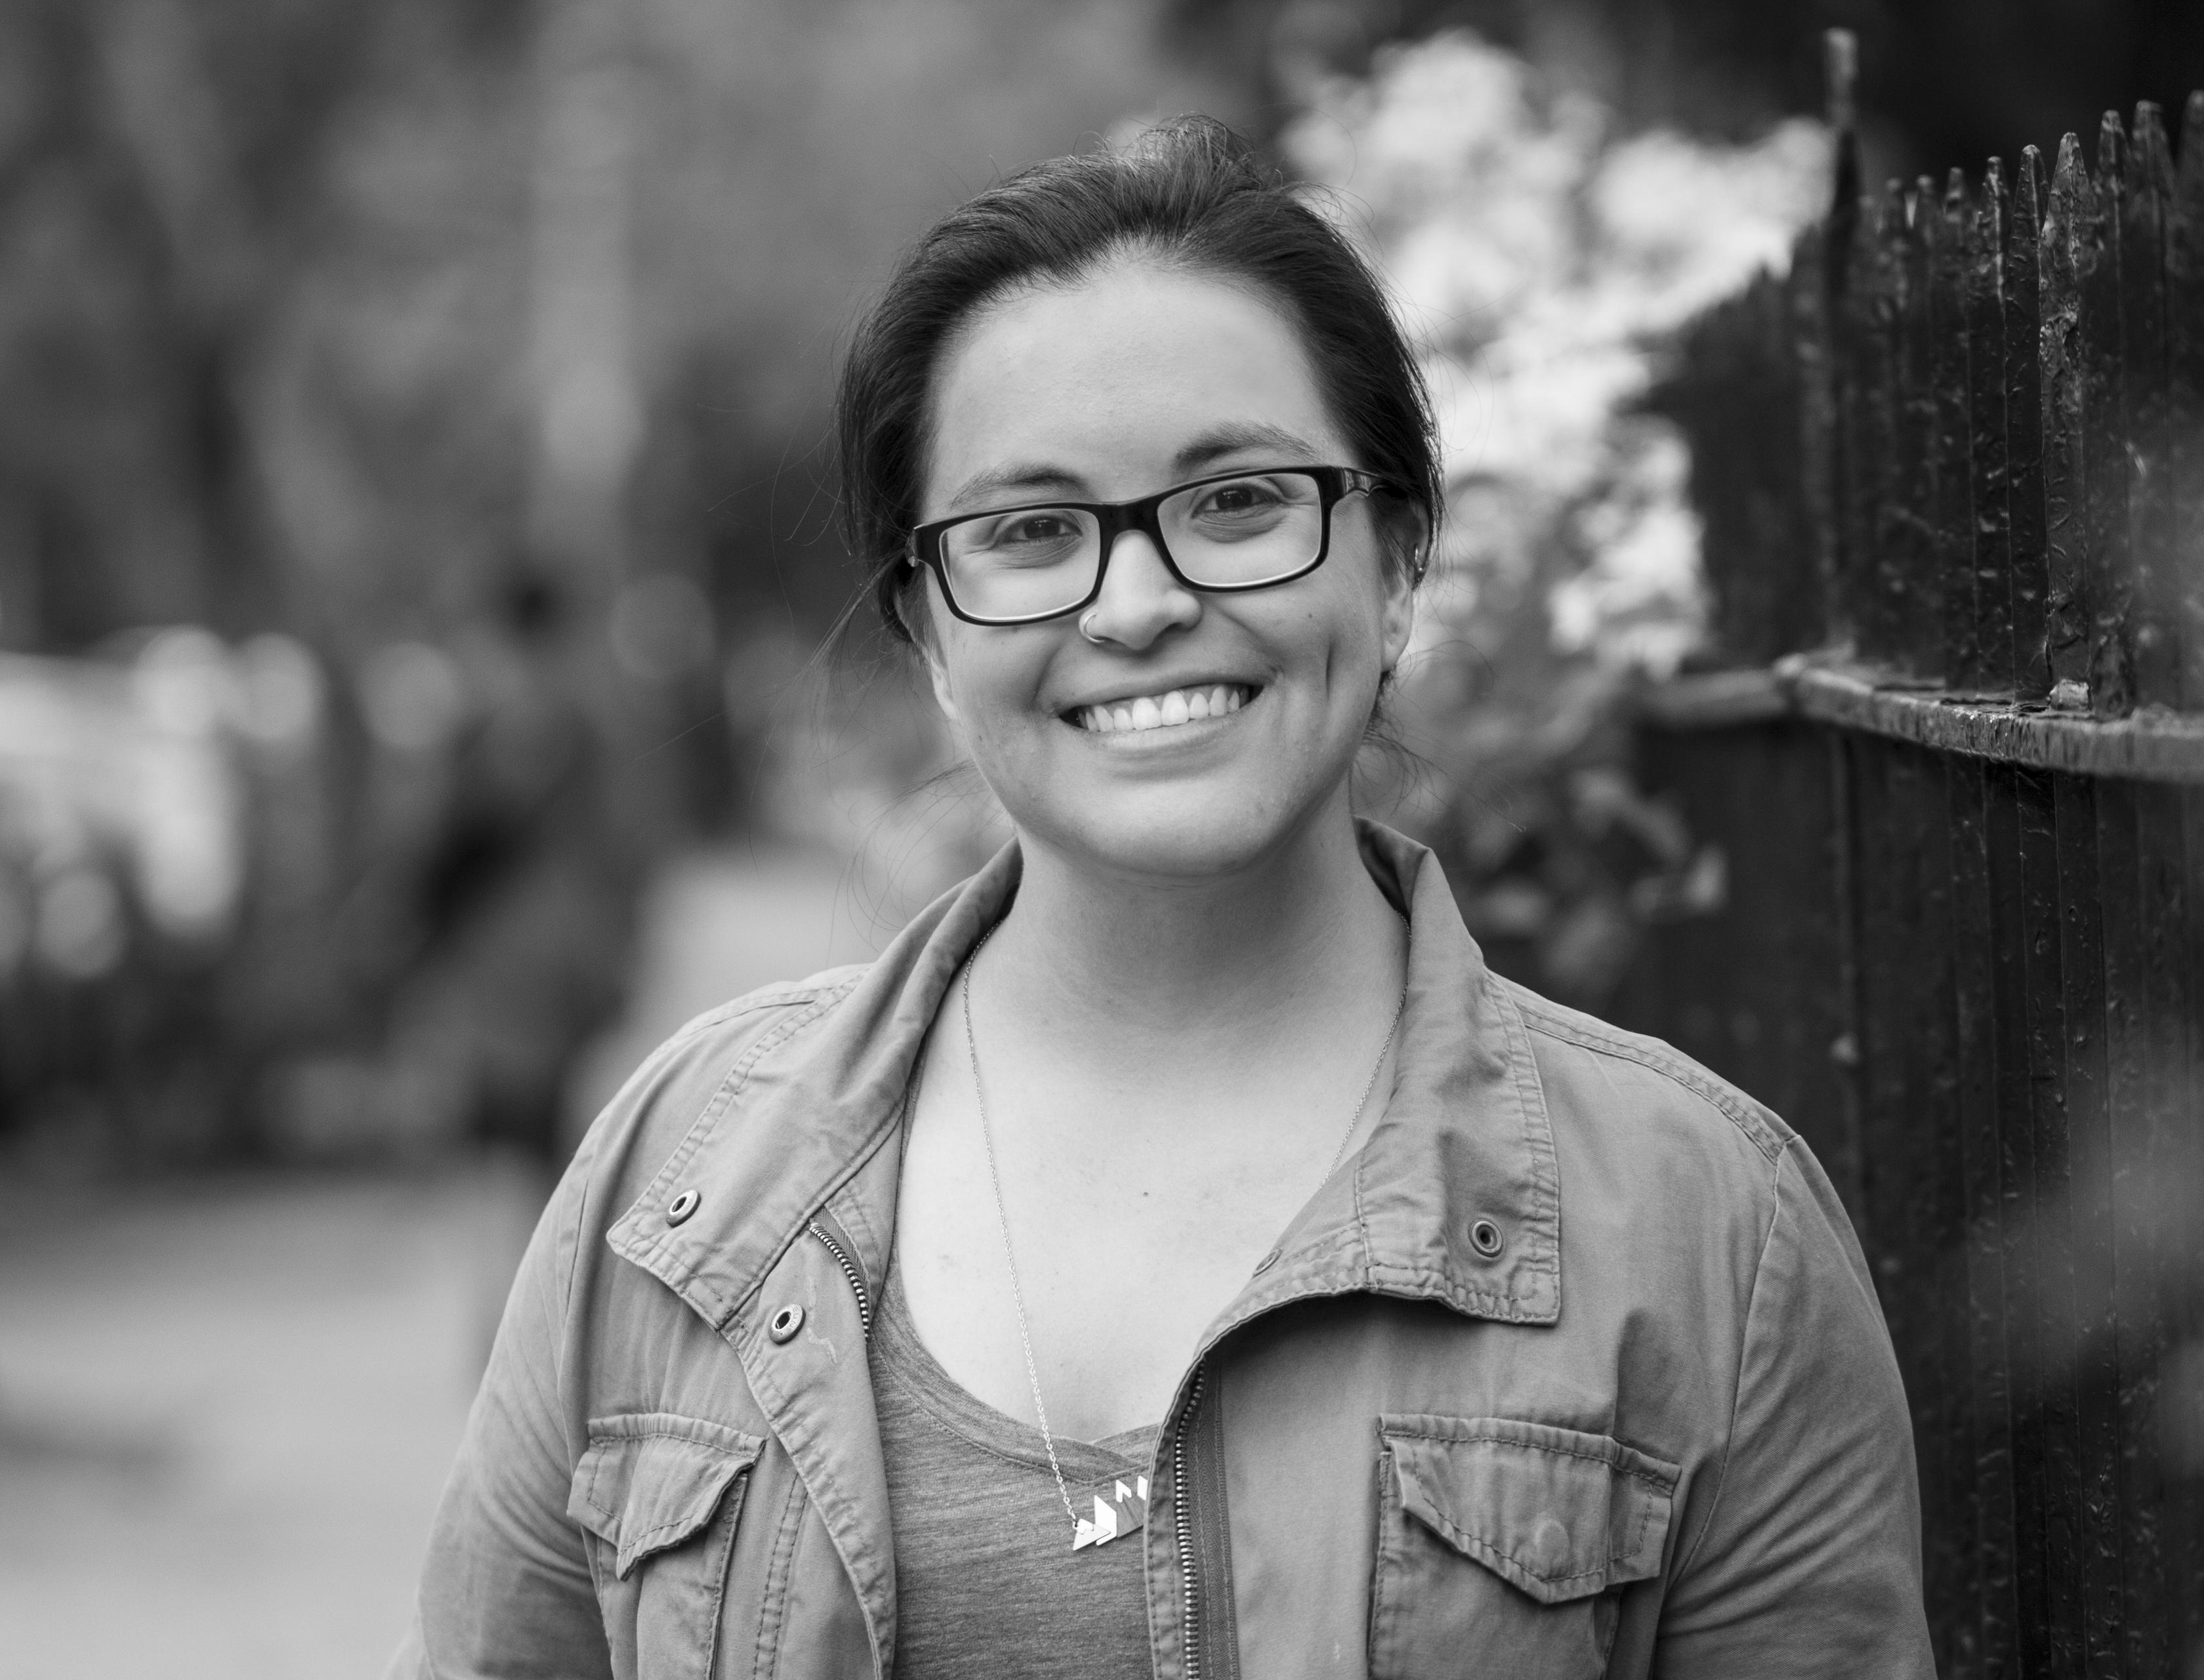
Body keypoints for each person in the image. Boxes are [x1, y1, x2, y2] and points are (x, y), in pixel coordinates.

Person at [387, 117, 1932, 1679]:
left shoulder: (1704, 1238)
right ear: (930, 629)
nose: (1139, 604)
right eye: (1029, 531)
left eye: (1240, 501)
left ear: (1396, 561)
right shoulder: (672, 1194)